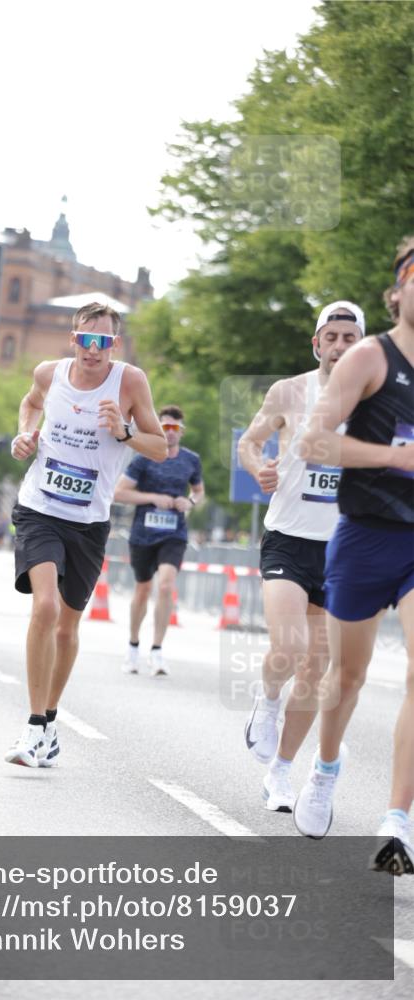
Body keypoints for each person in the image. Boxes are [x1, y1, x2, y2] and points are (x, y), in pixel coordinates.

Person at [294, 240, 414, 874]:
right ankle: (326, 766)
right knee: (347, 680)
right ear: (396, 292)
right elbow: (314, 442)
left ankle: (398, 819)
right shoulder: (371, 357)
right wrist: (393, 457)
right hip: (366, 536)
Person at [7, 301, 167, 767]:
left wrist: (125, 431)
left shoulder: (130, 382)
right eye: (85, 339)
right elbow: (30, 404)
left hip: (90, 521)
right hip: (39, 506)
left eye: (103, 342)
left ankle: (50, 720)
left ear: (114, 345)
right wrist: (25, 434)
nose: (93, 350)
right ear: (73, 338)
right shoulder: (48, 373)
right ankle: (34, 725)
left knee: (68, 624)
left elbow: (159, 448)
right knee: (44, 606)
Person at [239, 301, 365, 812]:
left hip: (344, 549)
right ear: (317, 344)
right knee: (288, 649)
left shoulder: (378, 403)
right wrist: (257, 469)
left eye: (349, 337)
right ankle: (267, 702)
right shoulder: (289, 391)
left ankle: (282, 772)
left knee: (315, 670)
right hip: (289, 538)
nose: (339, 345)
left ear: (363, 346)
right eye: (331, 337)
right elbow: (249, 443)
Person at [114, 405, 204, 676]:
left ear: (181, 431)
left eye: (175, 428)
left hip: (174, 533)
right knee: (142, 590)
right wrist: (152, 498)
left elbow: (199, 492)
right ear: (158, 427)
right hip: (143, 533)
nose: (170, 432)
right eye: (165, 427)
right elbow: (120, 493)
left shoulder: (191, 460)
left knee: (165, 585)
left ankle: (157, 650)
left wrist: (188, 502)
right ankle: (133, 646)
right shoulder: (143, 458)